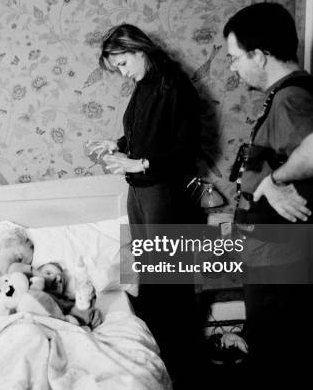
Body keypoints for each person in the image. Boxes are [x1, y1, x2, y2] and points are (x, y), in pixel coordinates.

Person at [223, 2, 313, 389]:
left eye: (235, 58)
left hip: (280, 252)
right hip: (290, 248)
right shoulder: (310, 90)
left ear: (259, 54)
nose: (233, 68)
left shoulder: (291, 98)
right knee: (288, 346)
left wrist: (275, 178)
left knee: (275, 350)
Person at [87, 23, 203, 387]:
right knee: (148, 273)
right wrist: (118, 144)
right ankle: (158, 351)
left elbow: (185, 149)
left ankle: (181, 364)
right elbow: (146, 134)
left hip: (163, 191)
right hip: (140, 189)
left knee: (169, 278)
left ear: (140, 50)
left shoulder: (174, 85)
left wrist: (141, 163)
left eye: (123, 64)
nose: (122, 72)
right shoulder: (145, 85)